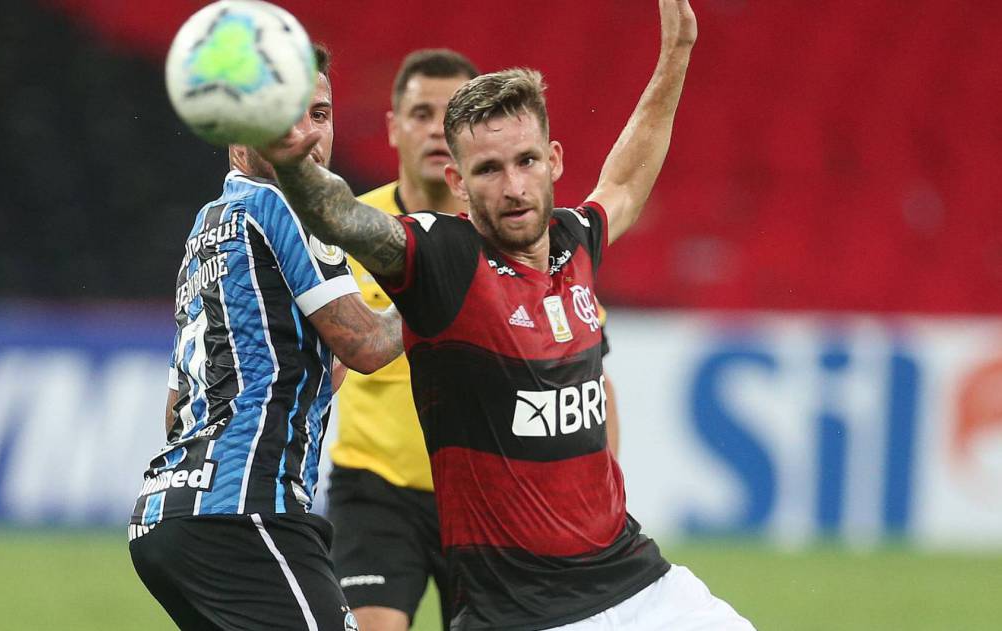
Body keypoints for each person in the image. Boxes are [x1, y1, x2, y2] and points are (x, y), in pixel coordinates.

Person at [259, 2, 754, 629]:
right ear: (458, 182)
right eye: (488, 170)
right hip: (523, 612)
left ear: (555, 160)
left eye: (525, 162)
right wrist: (290, 150)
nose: (514, 187)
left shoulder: (575, 241)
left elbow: (626, 181)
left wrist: (676, 54)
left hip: (638, 583)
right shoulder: (444, 260)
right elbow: (344, 216)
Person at [326, 49, 623, 631]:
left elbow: (588, 376)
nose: (436, 129)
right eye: (419, 113)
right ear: (392, 127)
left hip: (495, 498)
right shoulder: (352, 233)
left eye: (449, 114)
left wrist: (602, 489)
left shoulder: (522, 241)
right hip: (379, 490)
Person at [127, 46, 403, 631]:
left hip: (166, 512)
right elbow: (368, 347)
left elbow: (178, 405)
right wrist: (445, 292)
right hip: (246, 511)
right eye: (283, 116)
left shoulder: (208, 225)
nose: (306, 136)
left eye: (320, 115)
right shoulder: (287, 206)